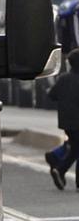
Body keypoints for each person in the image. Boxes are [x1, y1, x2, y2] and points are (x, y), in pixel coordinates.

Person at [46, 54, 79, 190]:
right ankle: (60, 169)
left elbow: (51, 95)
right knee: (76, 149)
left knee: (75, 147)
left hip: (66, 122)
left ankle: (55, 158)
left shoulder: (63, 78)